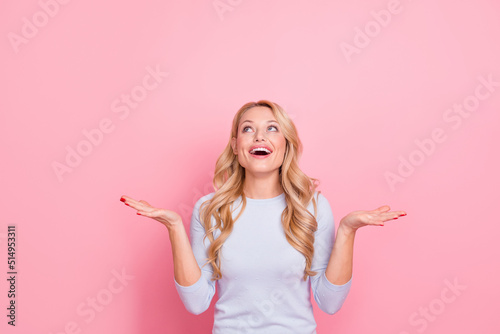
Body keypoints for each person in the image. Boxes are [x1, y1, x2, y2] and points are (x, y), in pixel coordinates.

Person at [120, 100, 407, 333]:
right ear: (235, 146)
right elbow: (196, 303)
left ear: (286, 145)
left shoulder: (313, 208)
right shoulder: (210, 209)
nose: (259, 136)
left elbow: (330, 303)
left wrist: (346, 231)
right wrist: (173, 227)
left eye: (272, 128)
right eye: (248, 129)